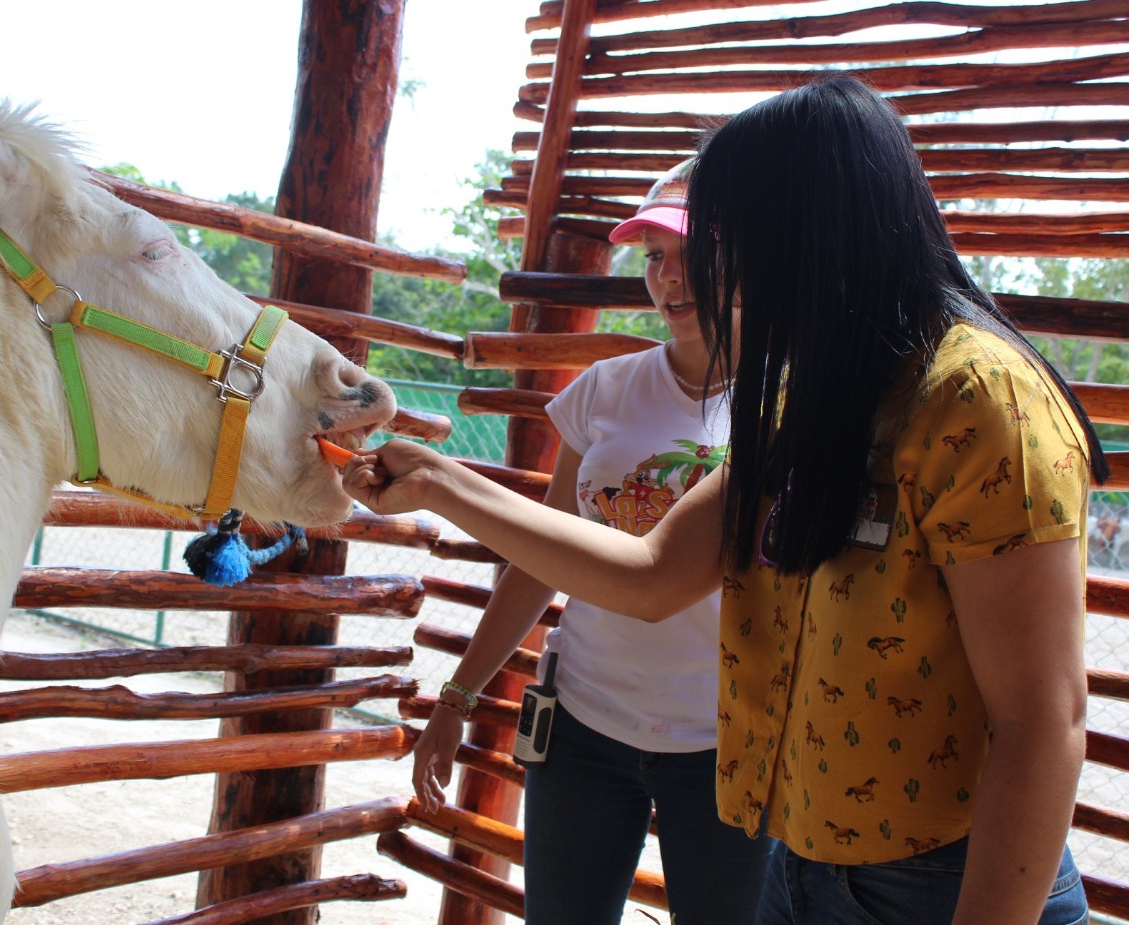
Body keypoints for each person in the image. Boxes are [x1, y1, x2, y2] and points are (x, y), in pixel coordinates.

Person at [346, 75, 1104, 925]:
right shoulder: (805, 394)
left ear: (810, 232)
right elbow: (651, 573)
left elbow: (1044, 722)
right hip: (798, 861)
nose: (705, 275)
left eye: (731, 242)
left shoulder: (979, 400)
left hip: (944, 885)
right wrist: (442, 483)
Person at [411, 160, 770, 925]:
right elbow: (541, 559)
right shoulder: (604, 391)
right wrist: (456, 695)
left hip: (727, 745)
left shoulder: (784, 409)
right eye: (653, 258)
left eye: (689, 255)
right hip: (584, 727)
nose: (668, 281)